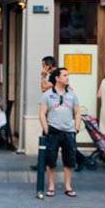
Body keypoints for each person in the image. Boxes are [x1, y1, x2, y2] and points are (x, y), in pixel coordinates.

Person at [39, 68, 80, 197]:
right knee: (50, 159)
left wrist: (76, 127)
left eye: (68, 75)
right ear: (57, 78)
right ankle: (51, 186)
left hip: (68, 131)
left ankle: (68, 186)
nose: (67, 78)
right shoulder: (47, 95)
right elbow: (42, 113)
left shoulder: (72, 95)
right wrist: (46, 128)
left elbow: (77, 112)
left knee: (69, 159)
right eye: (65, 75)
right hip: (53, 130)